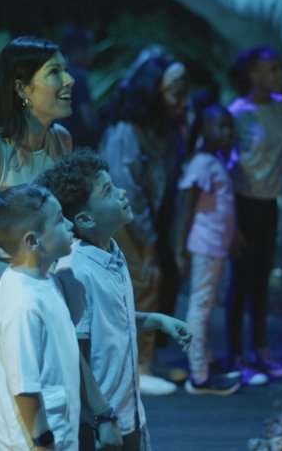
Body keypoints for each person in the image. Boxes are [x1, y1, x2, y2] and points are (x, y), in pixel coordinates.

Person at [0, 36, 77, 451]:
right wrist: (5, 307)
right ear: (21, 88)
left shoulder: (61, 142)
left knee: (52, 399)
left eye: (65, 69)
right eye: (54, 72)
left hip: (48, 289)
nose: (69, 80)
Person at [38, 149, 194, 449]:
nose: (122, 193)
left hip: (128, 409)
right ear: (84, 218)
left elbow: (110, 322)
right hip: (101, 420)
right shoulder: (77, 270)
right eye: (108, 191)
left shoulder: (112, 251)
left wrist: (159, 321)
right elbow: (74, 352)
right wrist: (102, 415)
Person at [0, 183, 110, 451]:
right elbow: (24, 388)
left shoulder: (46, 281)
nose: (68, 224)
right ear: (33, 240)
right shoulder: (22, 303)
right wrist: (43, 443)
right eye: (58, 219)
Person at [99, 54, 188, 396]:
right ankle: (138, 369)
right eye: (174, 93)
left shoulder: (163, 127)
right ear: (153, 92)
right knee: (144, 282)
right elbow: (126, 187)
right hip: (123, 219)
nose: (181, 102)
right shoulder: (127, 129)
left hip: (147, 217)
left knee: (150, 283)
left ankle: (145, 361)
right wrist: (150, 241)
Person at [224, 46, 282, 382]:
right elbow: (224, 162)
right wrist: (230, 219)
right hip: (242, 201)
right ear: (253, 74)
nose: (278, 75)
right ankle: (236, 355)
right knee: (241, 279)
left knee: (263, 278)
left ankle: (261, 350)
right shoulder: (236, 113)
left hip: (269, 202)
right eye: (271, 69)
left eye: (279, 69)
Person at [175, 102, 243, 395]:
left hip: (215, 246)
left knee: (205, 305)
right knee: (200, 308)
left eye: (229, 126)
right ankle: (200, 375)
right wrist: (180, 247)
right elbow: (187, 206)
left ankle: (207, 363)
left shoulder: (213, 161)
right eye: (220, 126)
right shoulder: (202, 163)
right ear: (204, 129)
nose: (227, 132)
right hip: (204, 246)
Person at [60, 27, 99, 149]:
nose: (92, 56)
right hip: (77, 145)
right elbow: (87, 118)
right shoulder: (78, 76)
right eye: (89, 51)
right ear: (77, 50)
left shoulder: (55, 73)